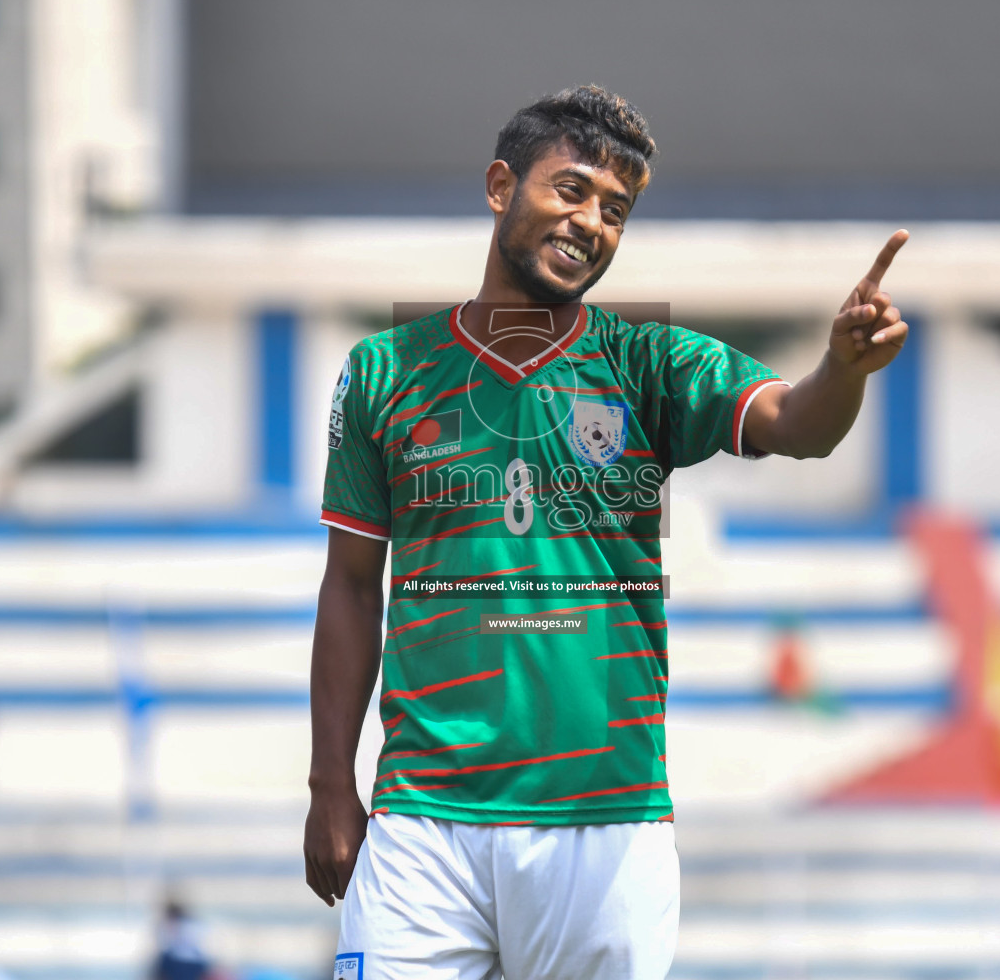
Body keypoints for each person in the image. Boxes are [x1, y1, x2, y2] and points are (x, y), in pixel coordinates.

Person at [306, 84, 908, 980]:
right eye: (572, 190)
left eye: (616, 211)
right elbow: (352, 585)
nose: (592, 222)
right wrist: (329, 788)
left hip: (605, 818)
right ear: (501, 185)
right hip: (421, 819)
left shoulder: (650, 364)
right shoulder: (385, 369)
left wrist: (843, 369)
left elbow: (795, 424)